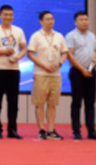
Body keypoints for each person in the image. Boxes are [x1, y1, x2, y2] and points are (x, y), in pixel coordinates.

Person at [0, 4, 27, 139]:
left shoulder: (18, 31)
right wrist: (4, 52)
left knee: (13, 101)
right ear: (0, 15)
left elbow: (24, 49)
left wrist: (17, 57)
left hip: (13, 69)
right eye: (5, 15)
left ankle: (12, 129)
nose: (8, 17)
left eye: (10, 15)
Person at [27, 10, 69, 140]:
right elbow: (30, 54)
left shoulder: (59, 36)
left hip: (55, 75)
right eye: (47, 19)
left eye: (52, 19)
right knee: (40, 103)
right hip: (41, 73)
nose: (50, 21)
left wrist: (60, 63)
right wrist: (44, 66)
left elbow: (65, 53)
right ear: (41, 21)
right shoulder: (36, 36)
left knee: (52, 103)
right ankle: (41, 130)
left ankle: (51, 130)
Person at [65, 11, 96, 140]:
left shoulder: (92, 36)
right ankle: (76, 131)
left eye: (86, 19)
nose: (84, 22)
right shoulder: (71, 36)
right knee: (77, 102)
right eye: (81, 20)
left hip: (91, 71)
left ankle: (91, 131)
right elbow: (70, 55)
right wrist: (82, 69)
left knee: (90, 102)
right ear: (75, 22)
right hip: (77, 72)